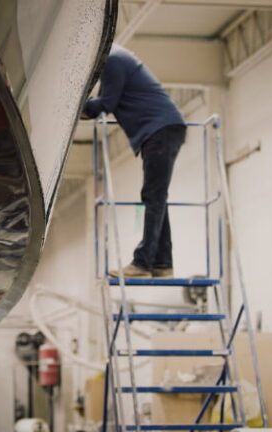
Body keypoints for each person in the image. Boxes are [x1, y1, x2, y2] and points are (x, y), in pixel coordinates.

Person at [82, 44, 186, 278]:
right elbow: (103, 103)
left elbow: (105, 105)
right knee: (156, 196)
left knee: (153, 196)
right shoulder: (117, 58)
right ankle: (162, 263)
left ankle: (142, 263)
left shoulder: (113, 60)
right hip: (162, 130)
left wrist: (75, 106)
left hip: (160, 130)